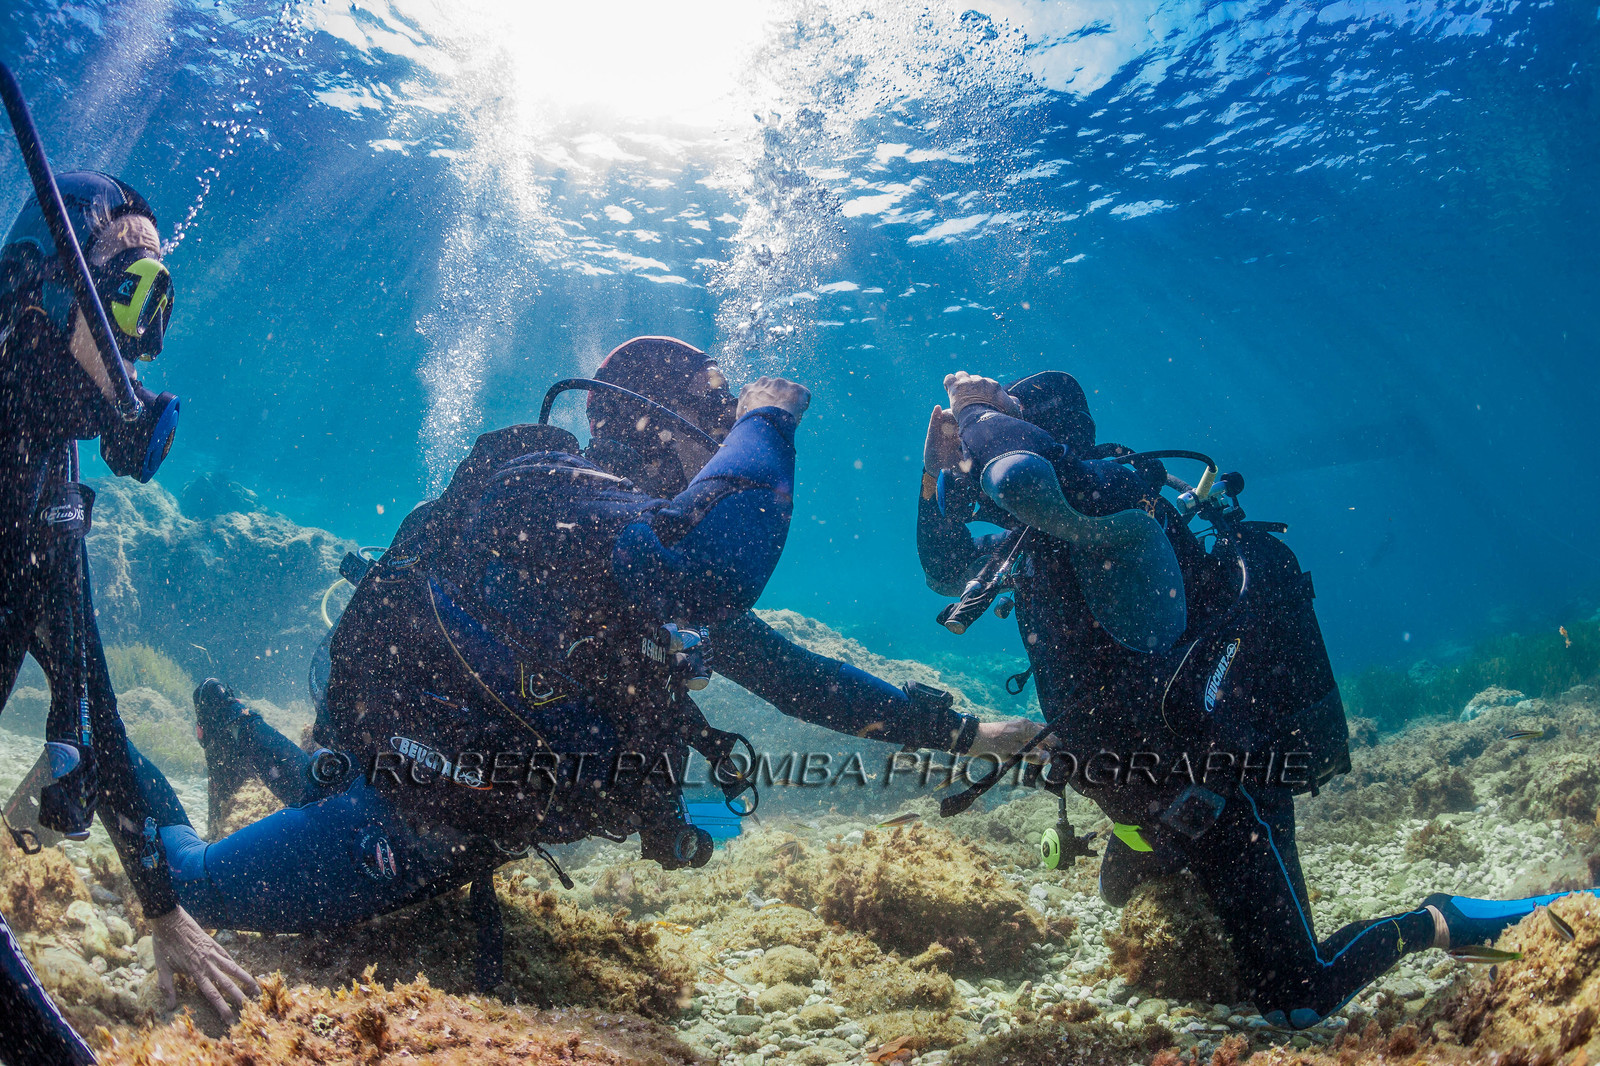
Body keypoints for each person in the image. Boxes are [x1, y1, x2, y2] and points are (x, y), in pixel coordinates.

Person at [125, 337, 1036, 990]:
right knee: (201, 889)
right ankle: (97, 747)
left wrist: (964, 731)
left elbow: (797, 677)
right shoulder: (556, 498)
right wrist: (767, 417)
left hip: (459, 819)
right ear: (648, 425)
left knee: (332, 802)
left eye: (729, 433)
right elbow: (719, 565)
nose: (721, 456)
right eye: (711, 430)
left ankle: (232, 728)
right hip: (413, 816)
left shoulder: (636, 554)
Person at [918, 368, 1595, 1030]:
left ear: (1043, 432)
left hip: (1223, 793)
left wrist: (977, 414)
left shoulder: (1125, 498)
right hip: (1137, 793)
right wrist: (935, 472)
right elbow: (944, 569)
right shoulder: (1033, 541)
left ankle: (1441, 921)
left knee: (1296, 999)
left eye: (1008, 423)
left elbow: (1021, 479)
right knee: (1122, 896)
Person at [0, 173, 257, 1065]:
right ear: (47, 291)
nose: (142, 346)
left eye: (160, 301)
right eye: (128, 294)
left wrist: (161, 908)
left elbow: (95, 711)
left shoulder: (45, 473)